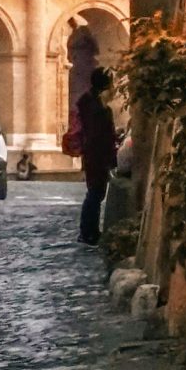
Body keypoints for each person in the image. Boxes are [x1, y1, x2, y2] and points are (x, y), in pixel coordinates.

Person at [75, 65, 120, 247]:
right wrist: (110, 157)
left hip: (94, 155)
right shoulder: (98, 109)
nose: (115, 88)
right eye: (112, 84)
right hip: (97, 157)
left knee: (95, 193)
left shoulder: (90, 104)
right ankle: (88, 233)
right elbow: (98, 136)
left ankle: (89, 231)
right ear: (105, 86)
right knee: (95, 193)